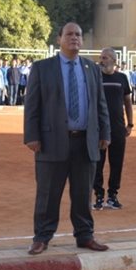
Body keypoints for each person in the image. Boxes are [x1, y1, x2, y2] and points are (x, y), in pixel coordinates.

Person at [23, 22, 111, 255]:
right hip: (51, 142)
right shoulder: (42, 68)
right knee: (48, 194)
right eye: (69, 34)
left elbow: (100, 104)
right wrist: (32, 136)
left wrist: (105, 133)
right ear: (59, 39)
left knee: (83, 194)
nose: (74, 38)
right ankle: (42, 237)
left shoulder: (91, 69)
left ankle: (85, 236)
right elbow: (32, 105)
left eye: (78, 34)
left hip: (86, 142)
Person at [93, 47, 133, 210]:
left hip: (117, 128)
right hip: (99, 128)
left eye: (105, 58)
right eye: (101, 57)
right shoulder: (95, 77)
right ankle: (98, 196)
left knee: (117, 163)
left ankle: (113, 196)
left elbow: (128, 102)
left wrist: (130, 124)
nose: (102, 61)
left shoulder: (122, 78)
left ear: (114, 61)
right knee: (98, 163)